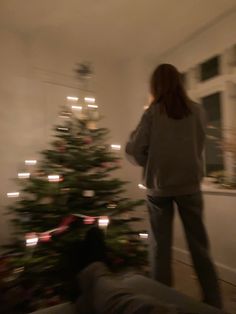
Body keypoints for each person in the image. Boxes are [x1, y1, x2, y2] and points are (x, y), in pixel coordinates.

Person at [125, 64, 222, 309]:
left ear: (156, 86)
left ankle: (161, 304)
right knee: (200, 247)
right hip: (190, 186)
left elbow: (135, 151)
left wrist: (152, 160)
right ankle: (214, 303)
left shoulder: (152, 113)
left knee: (159, 249)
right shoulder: (198, 111)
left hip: (159, 189)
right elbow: (199, 146)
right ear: (179, 82)